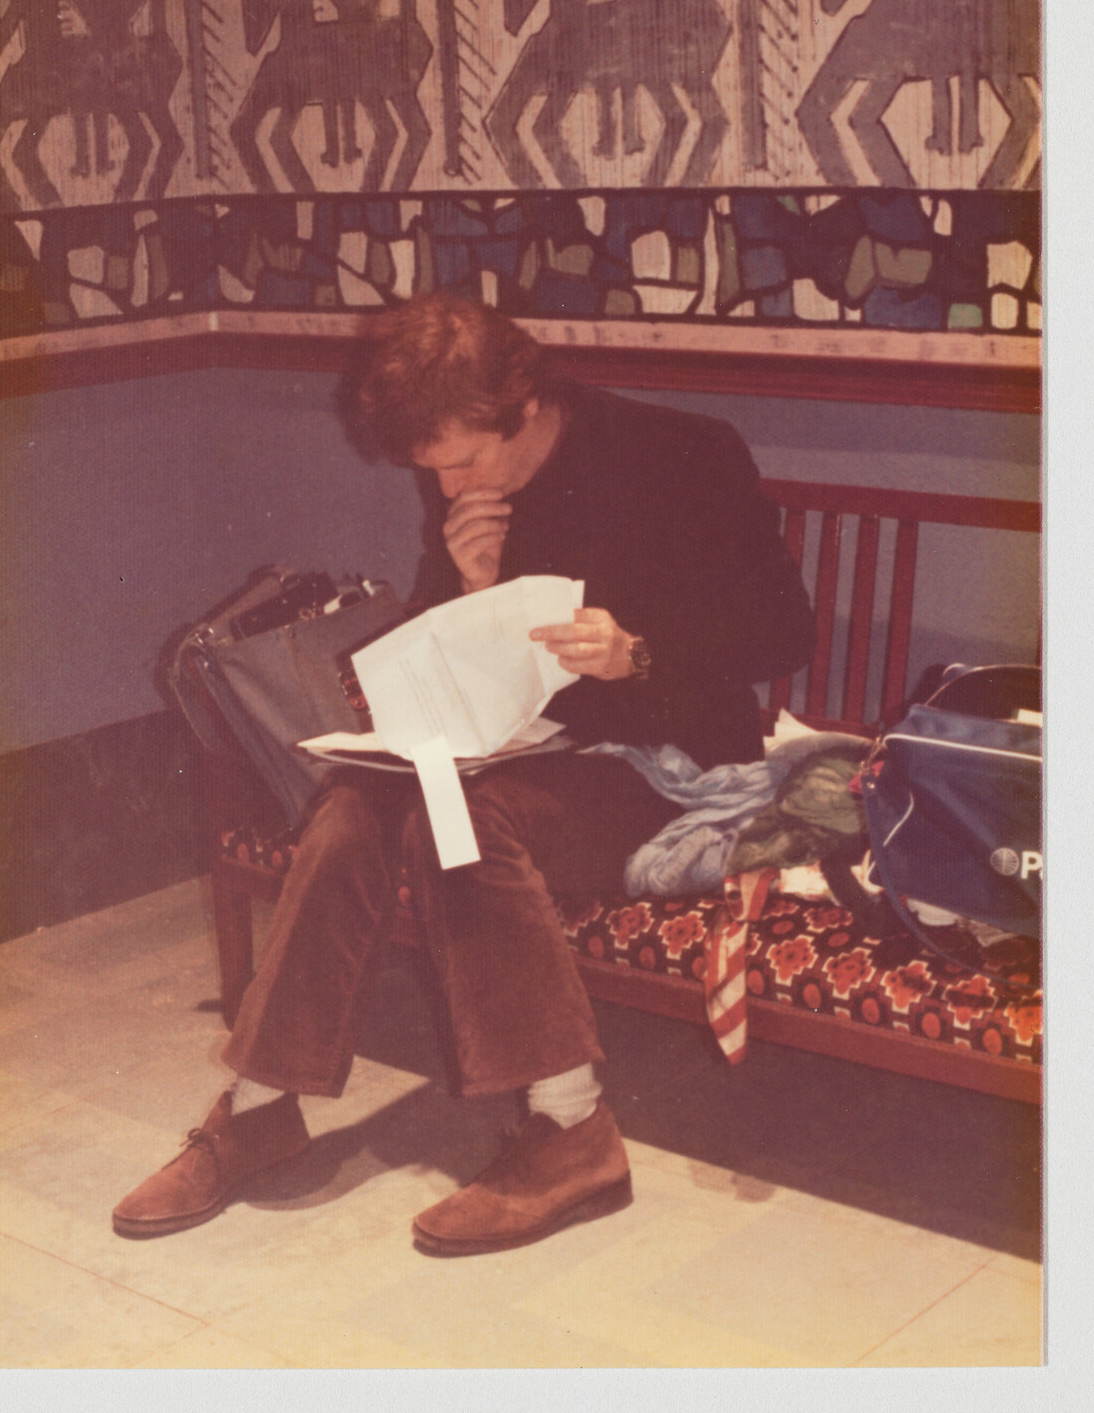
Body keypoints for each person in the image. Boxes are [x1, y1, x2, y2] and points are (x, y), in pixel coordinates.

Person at [112, 292, 815, 1253]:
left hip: (670, 760)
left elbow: (785, 633)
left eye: (465, 463)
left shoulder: (684, 453)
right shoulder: (466, 474)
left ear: (527, 406)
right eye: (431, 472)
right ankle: (261, 1104)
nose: (449, 488)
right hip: (530, 748)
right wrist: (464, 584)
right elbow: (467, 651)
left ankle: (574, 1130)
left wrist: (638, 652)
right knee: (357, 803)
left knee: (463, 818)